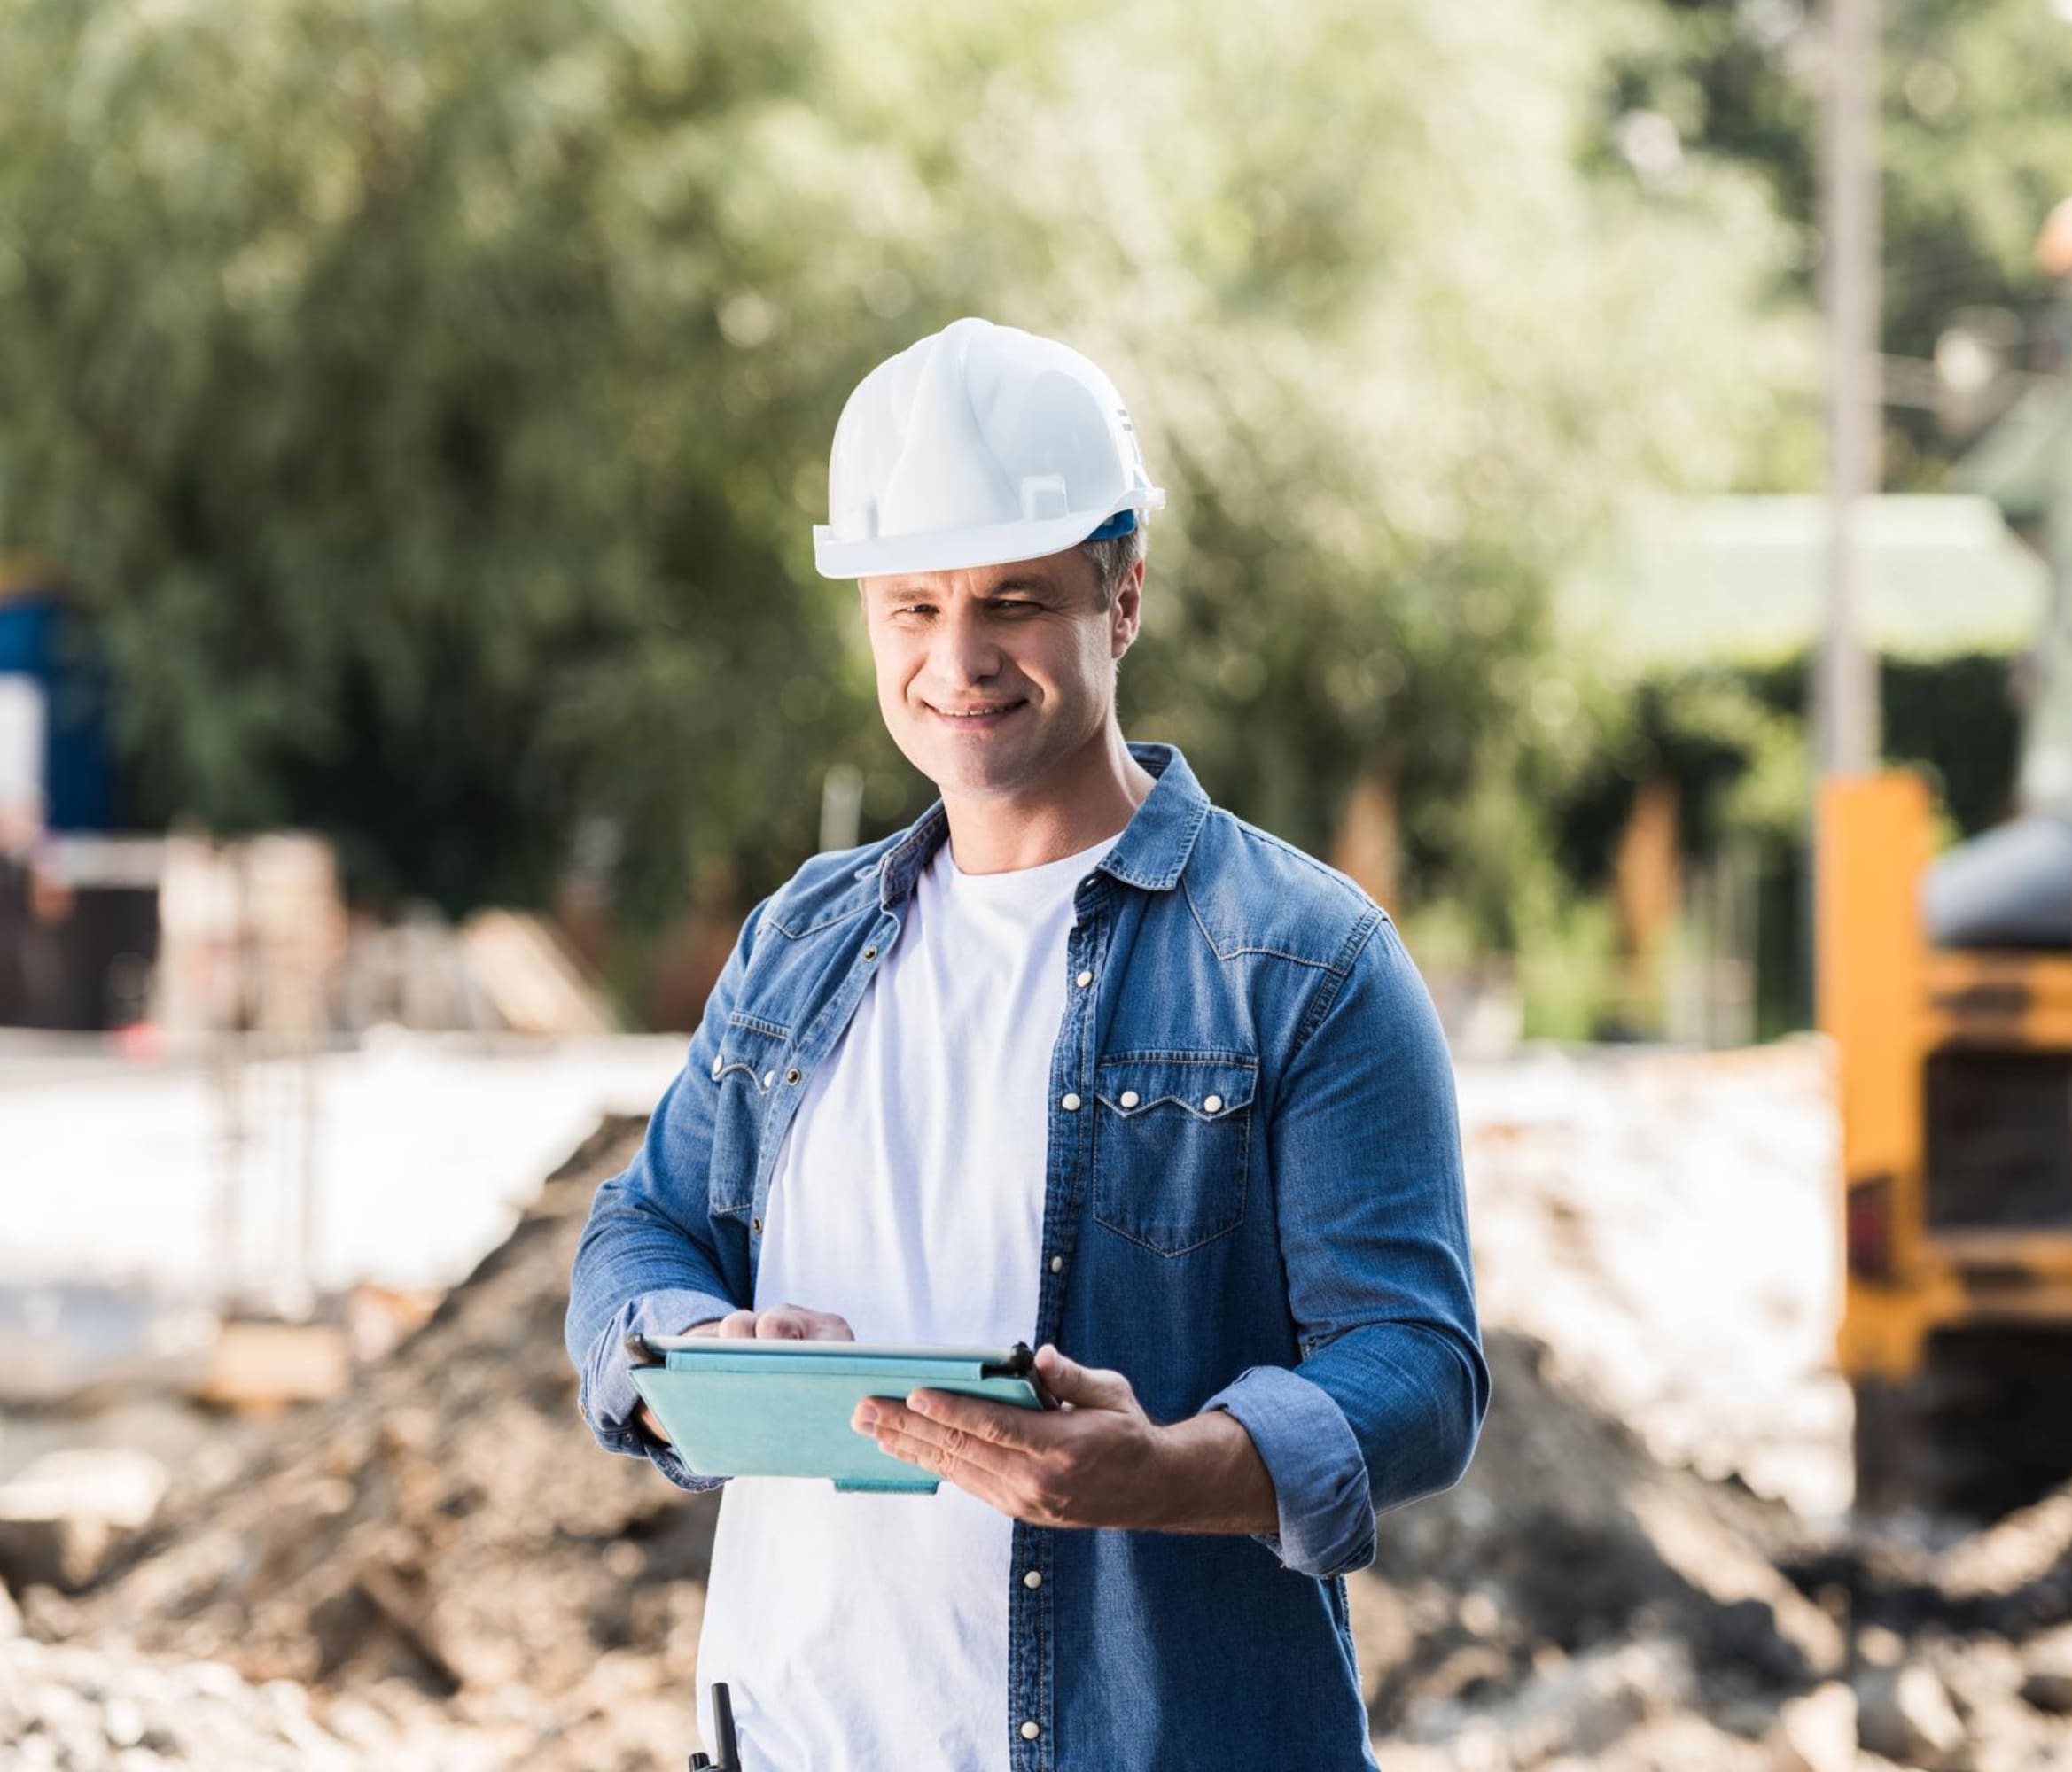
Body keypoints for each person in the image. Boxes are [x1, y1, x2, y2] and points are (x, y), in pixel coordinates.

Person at [565, 317, 1487, 1769]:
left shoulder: (1303, 962)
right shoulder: (800, 943)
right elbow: (645, 1230)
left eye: (1013, 602)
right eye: (912, 608)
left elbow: (1418, 1369)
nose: (958, 658)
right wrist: (698, 1345)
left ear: (1123, 600)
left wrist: (1179, 1473)